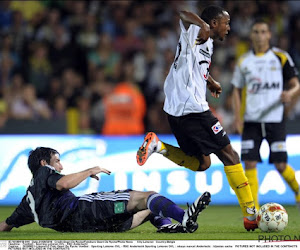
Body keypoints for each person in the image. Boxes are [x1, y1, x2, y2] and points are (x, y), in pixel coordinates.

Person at [136, 5, 258, 232]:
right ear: (213, 24)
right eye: (226, 23)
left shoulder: (207, 43)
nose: (229, 28)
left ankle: (158, 146)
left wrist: (209, 80)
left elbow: (192, 64)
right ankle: (251, 213)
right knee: (230, 155)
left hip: (176, 111)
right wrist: (201, 24)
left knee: (203, 163)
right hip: (192, 109)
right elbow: (181, 12)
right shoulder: (197, 32)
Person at [0, 147, 211, 233]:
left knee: (146, 207)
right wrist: (90, 169)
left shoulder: (28, 202)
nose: (61, 166)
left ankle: (166, 227)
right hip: (88, 211)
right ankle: (184, 217)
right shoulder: (43, 171)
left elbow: (6, 225)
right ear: (45, 163)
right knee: (147, 196)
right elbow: (63, 183)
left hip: (97, 226)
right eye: (57, 161)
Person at [231, 19, 300, 210]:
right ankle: (253, 211)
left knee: (280, 164)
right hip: (251, 120)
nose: (259, 35)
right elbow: (236, 90)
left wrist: (290, 94)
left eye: (263, 31)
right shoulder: (244, 61)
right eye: (256, 31)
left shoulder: (281, 57)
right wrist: (237, 117)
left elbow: (296, 85)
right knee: (250, 163)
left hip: (275, 119)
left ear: (269, 34)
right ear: (251, 35)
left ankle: (298, 191)